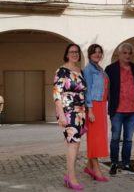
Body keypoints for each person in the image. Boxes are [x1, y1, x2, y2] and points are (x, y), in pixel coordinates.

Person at [53, 44, 87, 190]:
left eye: (77, 52)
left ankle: (69, 175)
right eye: (72, 52)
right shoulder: (61, 71)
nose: (75, 54)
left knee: (76, 143)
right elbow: (56, 93)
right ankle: (71, 178)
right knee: (72, 144)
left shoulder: (80, 71)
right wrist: (61, 114)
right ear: (67, 54)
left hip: (80, 111)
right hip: (67, 110)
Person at [105, 43, 134, 175]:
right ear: (119, 54)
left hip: (132, 110)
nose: (127, 55)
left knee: (128, 139)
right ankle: (114, 163)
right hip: (117, 111)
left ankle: (126, 164)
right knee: (115, 138)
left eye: (130, 53)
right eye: (124, 53)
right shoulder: (110, 69)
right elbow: (106, 88)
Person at [83, 44, 109, 182]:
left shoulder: (99, 68)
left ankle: (89, 166)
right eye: (95, 52)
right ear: (89, 54)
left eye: (100, 52)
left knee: (99, 137)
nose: (97, 54)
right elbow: (87, 90)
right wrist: (90, 110)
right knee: (95, 139)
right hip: (94, 106)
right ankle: (96, 169)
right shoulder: (88, 70)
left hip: (101, 105)